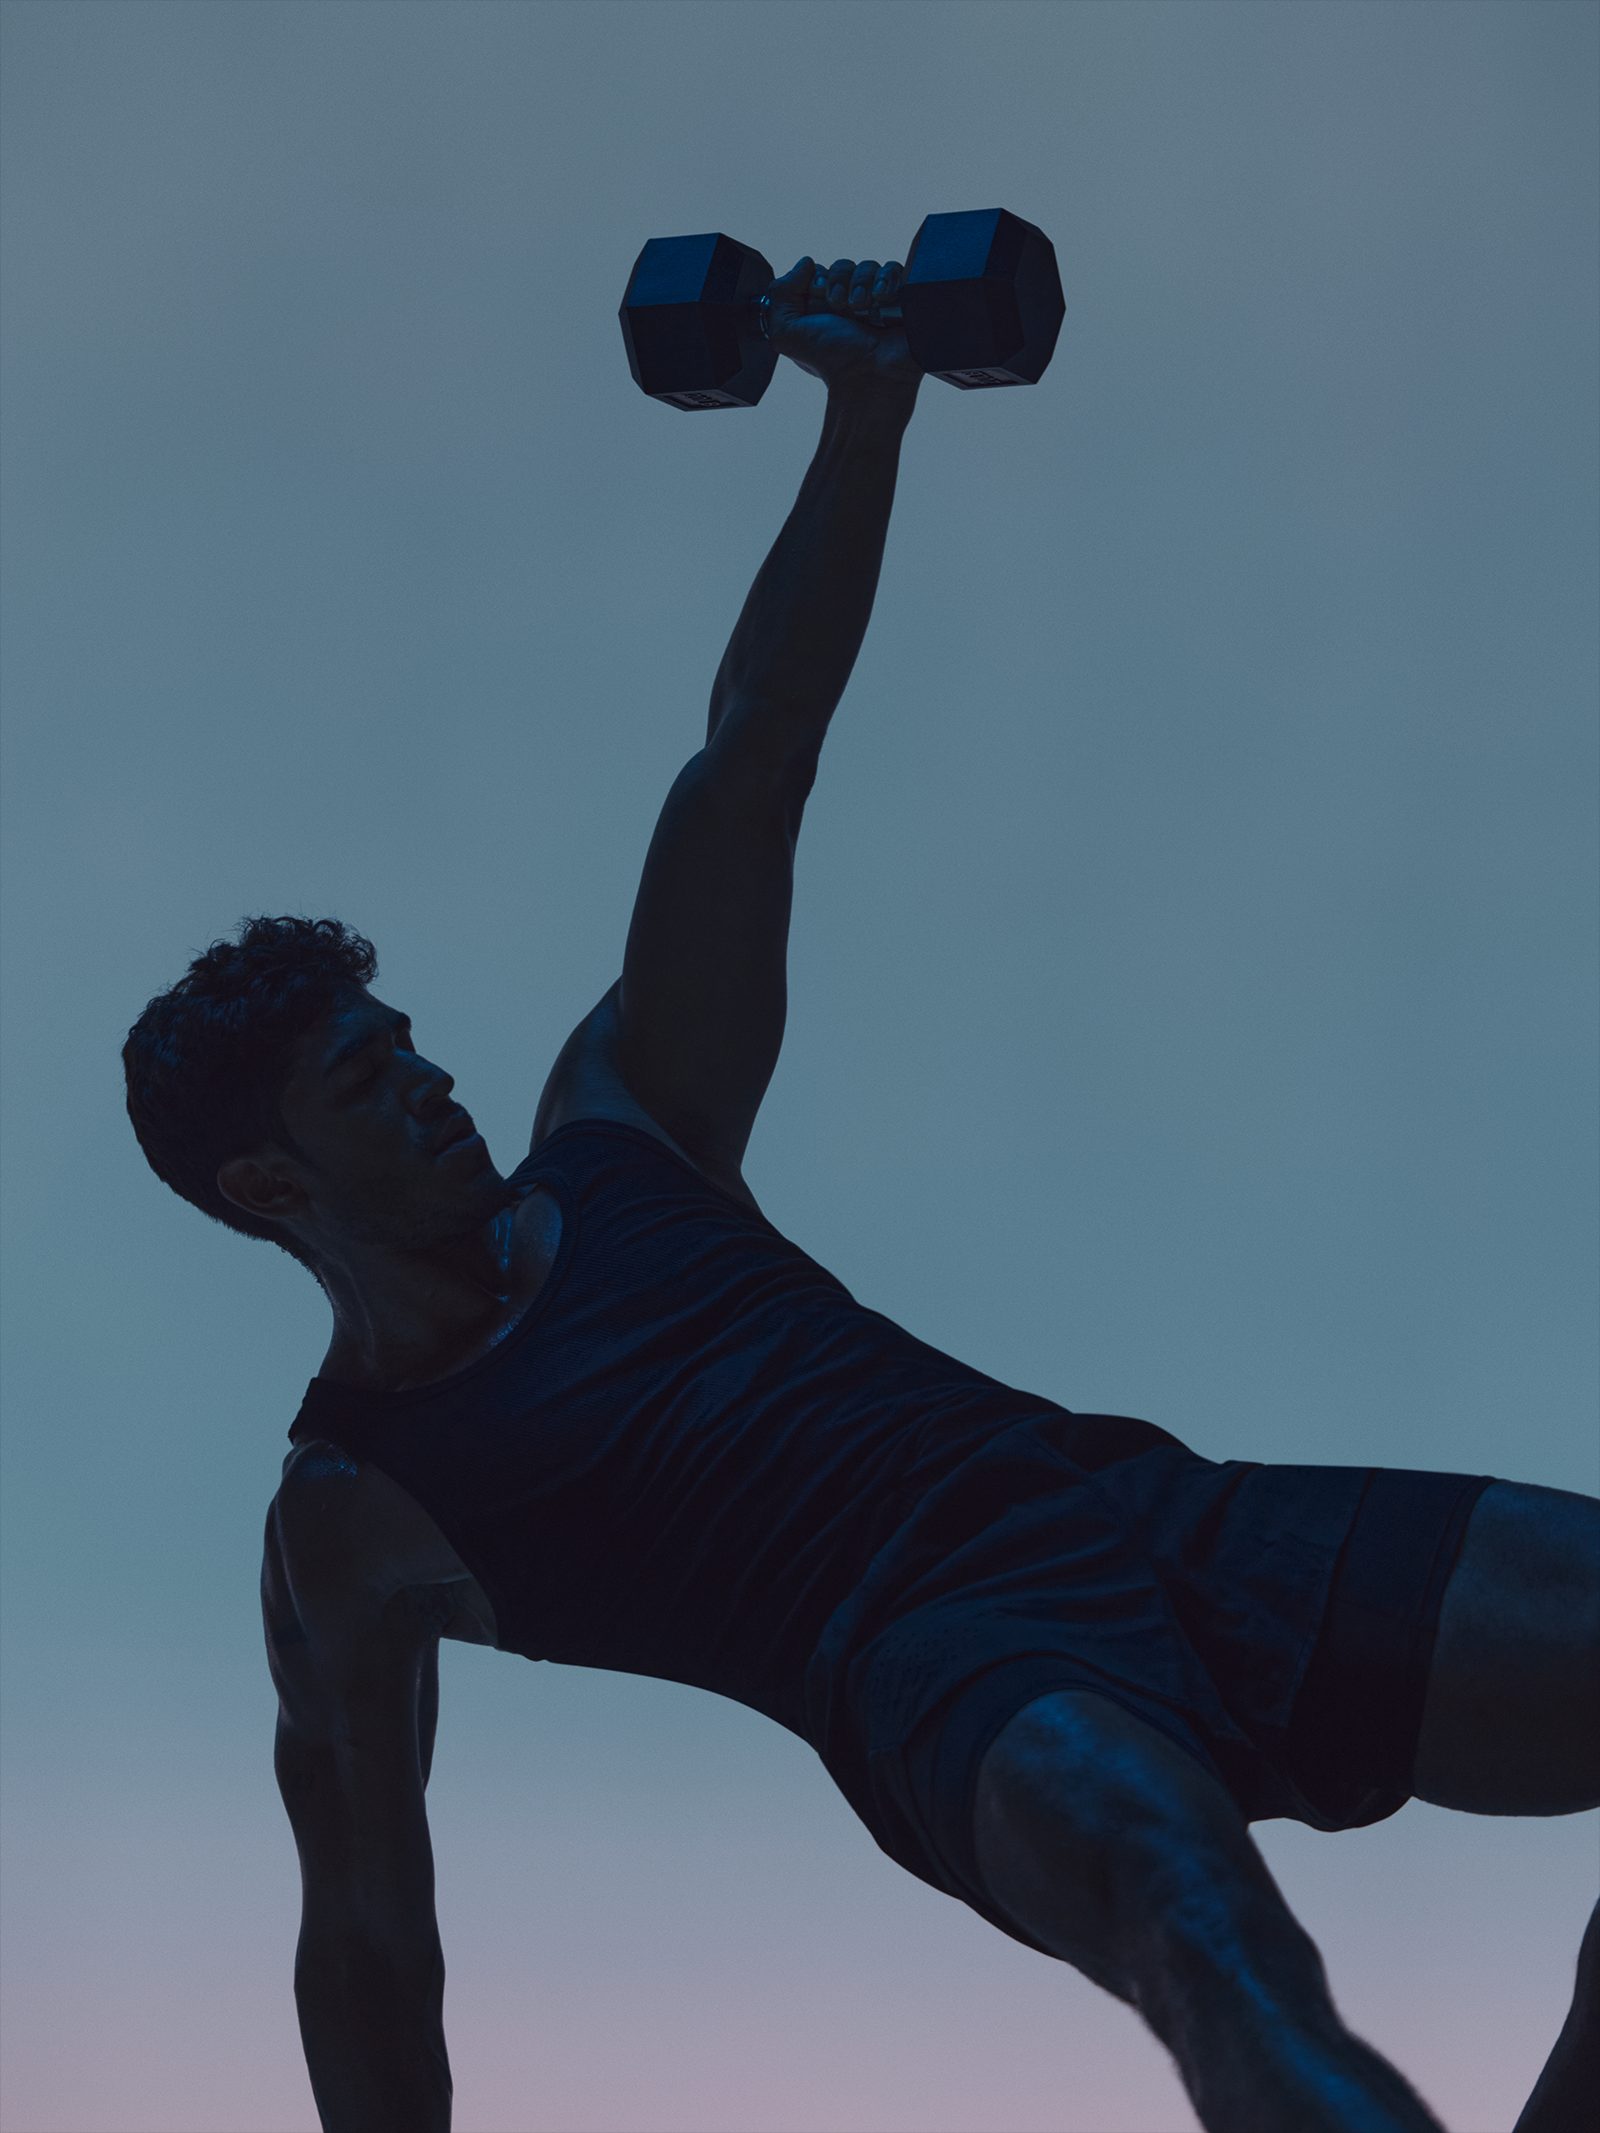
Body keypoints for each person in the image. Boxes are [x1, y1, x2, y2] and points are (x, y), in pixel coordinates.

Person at [123, 258, 1598, 2133]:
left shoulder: (624, 1127)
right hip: (956, 1668)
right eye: (363, 1077)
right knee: (1202, 1929)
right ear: (267, 1182)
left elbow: (751, 763)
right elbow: (364, 1933)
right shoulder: (351, 1514)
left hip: (1170, 1516)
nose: (426, 1073)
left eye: (404, 1037)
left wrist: (866, 411)